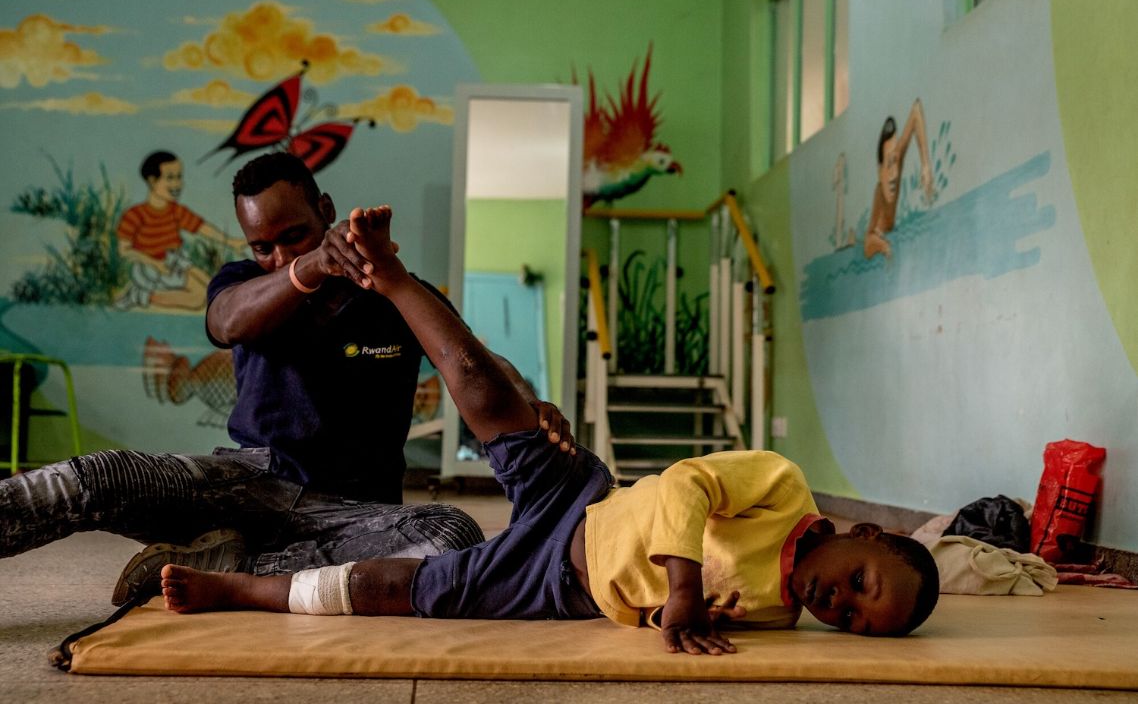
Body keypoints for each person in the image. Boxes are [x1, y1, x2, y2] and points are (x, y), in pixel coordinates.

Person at [160, 205, 941, 654]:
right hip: (585, 502)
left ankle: (241, 589)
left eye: (851, 620)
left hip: (556, 587)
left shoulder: (782, 612)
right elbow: (688, 485)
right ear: (866, 532)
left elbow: (662, 611)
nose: (838, 603)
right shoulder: (785, 486)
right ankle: (392, 277)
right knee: (481, 387)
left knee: (394, 590)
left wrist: (665, 614)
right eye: (859, 584)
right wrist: (685, 594)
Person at [0, 152, 571, 607]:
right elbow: (226, 323)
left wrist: (532, 405)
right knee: (95, 477)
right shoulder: (242, 282)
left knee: (451, 537)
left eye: (293, 236)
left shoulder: (396, 291)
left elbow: (478, 360)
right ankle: (235, 553)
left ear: (325, 208)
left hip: (353, 512)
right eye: (262, 246)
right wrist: (308, 264)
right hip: (246, 482)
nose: (276, 256)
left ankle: (237, 567)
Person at [115, 150, 246, 310]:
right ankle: (140, 295)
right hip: (150, 267)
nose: (177, 184)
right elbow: (125, 250)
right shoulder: (134, 215)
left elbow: (202, 228)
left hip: (175, 261)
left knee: (211, 285)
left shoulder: (175, 210)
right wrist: (155, 263)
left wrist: (232, 242)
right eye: (170, 178)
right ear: (152, 181)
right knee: (198, 299)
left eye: (179, 177)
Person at [863, 99, 937, 260]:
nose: (894, 174)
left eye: (896, 160)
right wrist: (882, 245)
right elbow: (867, 245)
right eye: (888, 164)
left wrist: (925, 164)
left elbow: (916, 111)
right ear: (879, 170)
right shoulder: (879, 194)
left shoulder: (897, 160)